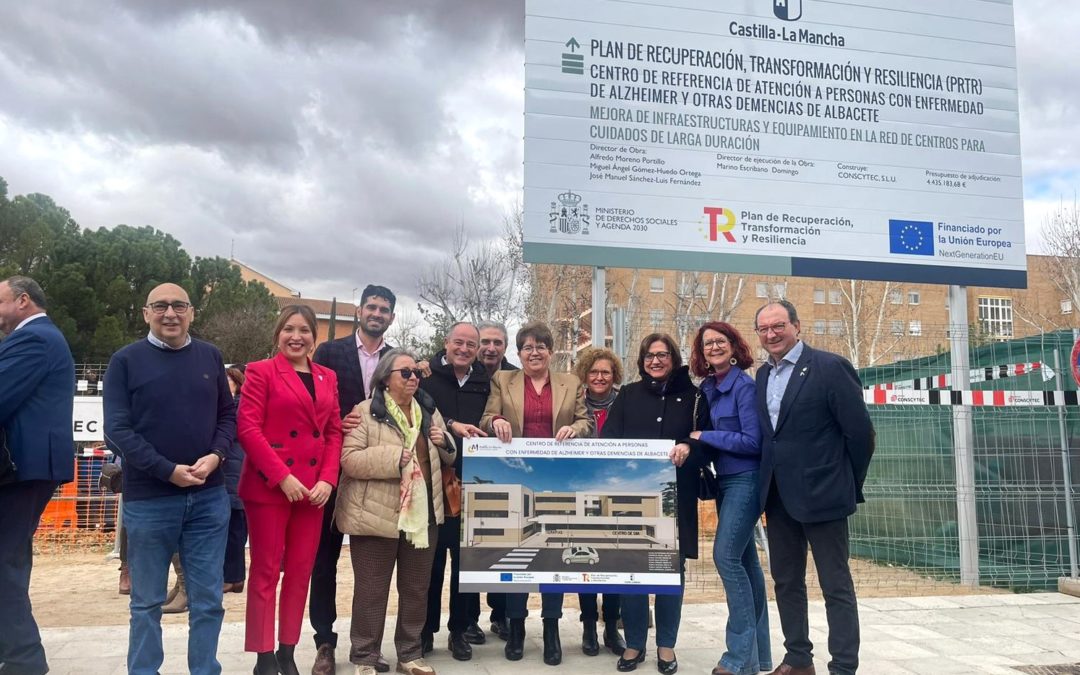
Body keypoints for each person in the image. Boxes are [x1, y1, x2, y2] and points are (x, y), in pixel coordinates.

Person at [104, 283, 234, 675]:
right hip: (149, 500)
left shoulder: (211, 356)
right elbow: (117, 431)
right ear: (146, 313)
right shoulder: (125, 361)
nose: (170, 313)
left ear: (192, 312)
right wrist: (167, 470)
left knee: (208, 600)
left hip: (209, 499)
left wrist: (215, 456)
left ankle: (204, 670)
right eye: (160, 306)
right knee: (146, 602)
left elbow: (229, 417)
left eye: (179, 305)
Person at [753, 301, 874, 675]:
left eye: (779, 326)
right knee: (786, 582)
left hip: (825, 496)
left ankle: (843, 666)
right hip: (778, 497)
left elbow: (861, 434)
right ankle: (798, 659)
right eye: (764, 329)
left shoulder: (829, 367)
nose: (771, 334)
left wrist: (845, 482)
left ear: (797, 326)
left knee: (835, 585)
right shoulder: (761, 376)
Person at [336, 349, 456, 675]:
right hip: (376, 517)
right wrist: (393, 458)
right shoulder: (364, 412)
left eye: (416, 372)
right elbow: (349, 460)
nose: (413, 378)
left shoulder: (429, 411)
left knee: (417, 589)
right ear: (386, 378)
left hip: (422, 517)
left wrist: (445, 441)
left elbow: (447, 458)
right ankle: (364, 657)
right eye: (405, 373)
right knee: (371, 591)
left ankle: (410, 654)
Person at [479, 321, 593, 665]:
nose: (534, 352)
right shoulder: (503, 380)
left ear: (551, 352)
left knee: (554, 555)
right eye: (527, 347)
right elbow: (485, 419)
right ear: (518, 353)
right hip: (515, 478)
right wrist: (495, 421)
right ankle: (516, 627)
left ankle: (552, 627)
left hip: (559, 480)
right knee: (521, 552)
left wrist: (574, 428)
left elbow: (586, 423)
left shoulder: (570, 382)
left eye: (540, 346)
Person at [238, 305, 343, 675]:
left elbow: (333, 431)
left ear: (315, 338)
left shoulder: (327, 377)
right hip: (271, 488)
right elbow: (248, 429)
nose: (296, 336)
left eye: (304, 330)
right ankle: (263, 656)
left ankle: (287, 650)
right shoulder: (260, 372)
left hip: (313, 491)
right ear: (277, 334)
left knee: (301, 572)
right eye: (289, 329)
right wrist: (282, 477)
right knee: (266, 572)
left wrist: (328, 479)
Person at [601, 333, 707, 675]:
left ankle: (666, 646)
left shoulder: (694, 396)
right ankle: (634, 643)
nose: (655, 361)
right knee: (632, 572)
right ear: (641, 360)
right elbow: (609, 441)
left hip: (676, 499)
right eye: (649, 355)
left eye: (662, 355)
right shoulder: (629, 394)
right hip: (631, 498)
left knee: (670, 574)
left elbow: (705, 440)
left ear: (673, 358)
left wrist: (689, 449)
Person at [309, 284, 396, 675]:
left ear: (391, 317)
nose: (377, 314)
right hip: (330, 471)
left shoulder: (396, 360)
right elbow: (314, 404)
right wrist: (335, 424)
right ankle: (324, 642)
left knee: (372, 570)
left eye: (384, 310)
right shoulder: (329, 353)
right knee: (323, 563)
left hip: (374, 479)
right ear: (360, 311)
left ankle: (368, 645)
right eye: (372, 307)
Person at [0, 276, 75, 675]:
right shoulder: (40, 338)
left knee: (3, 564)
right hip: (27, 467)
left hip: (21, 468)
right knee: (9, 561)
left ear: (23, 301)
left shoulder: (34, 339)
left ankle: (23, 659)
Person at [688, 322, 772, 675]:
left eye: (720, 341)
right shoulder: (707, 387)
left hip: (746, 480)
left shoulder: (744, 387)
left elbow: (753, 442)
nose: (714, 347)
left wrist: (707, 434)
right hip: (724, 482)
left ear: (734, 347)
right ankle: (759, 657)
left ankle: (737, 659)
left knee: (724, 557)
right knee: (747, 566)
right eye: (707, 344)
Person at [419, 322, 491, 661]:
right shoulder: (424, 376)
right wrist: (449, 426)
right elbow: (416, 416)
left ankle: (458, 631)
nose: (464, 349)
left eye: (471, 345)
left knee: (466, 564)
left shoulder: (485, 381)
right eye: (458, 342)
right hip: (433, 482)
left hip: (474, 486)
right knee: (430, 564)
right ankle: (425, 631)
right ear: (446, 343)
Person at [572, 346, 627, 657]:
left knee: (614, 559)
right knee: (587, 561)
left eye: (605, 372)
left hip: (618, 489)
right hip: (582, 489)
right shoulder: (575, 404)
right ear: (585, 374)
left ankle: (611, 628)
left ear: (614, 375)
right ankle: (589, 626)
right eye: (594, 372)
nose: (599, 377)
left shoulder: (625, 401)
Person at [474, 319, 518, 640]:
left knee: (506, 547)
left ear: (505, 347)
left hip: (508, 474)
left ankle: (502, 615)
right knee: (472, 549)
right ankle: (465, 621)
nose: (491, 348)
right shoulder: (461, 374)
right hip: (470, 473)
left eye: (497, 343)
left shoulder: (516, 377)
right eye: (485, 342)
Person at [223, 365, 248, 594]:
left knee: (235, 529)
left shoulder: (239, 405)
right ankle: (231, 576)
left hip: (235, 469)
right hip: (229, 470)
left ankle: (234, 577)